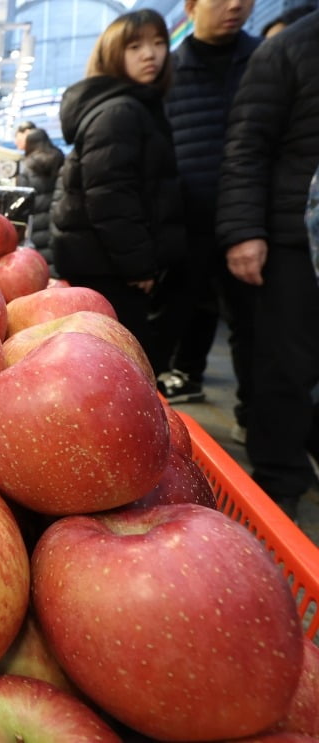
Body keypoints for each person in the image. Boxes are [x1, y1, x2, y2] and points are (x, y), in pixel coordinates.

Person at [216, 10, 319, 519]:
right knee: (285, 362)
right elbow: (246, 148)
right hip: (294, 236)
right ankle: (278, 479)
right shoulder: (287, 51)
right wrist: (244, 232)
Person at [49, 10, 185, 366]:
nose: (150, 54)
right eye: (135, 46)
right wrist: (139, 265)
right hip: (110, 268)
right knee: (122, 365)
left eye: (159, 43)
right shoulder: (120, 112)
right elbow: (110, 195)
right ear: (112, 53)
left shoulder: (129, 107)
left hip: (101, 262)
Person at [156, 0, 259, 419]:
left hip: (253, 225)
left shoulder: (264, 63)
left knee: (256, 330)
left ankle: (256, 420)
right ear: (191, 6)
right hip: (187, 225)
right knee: (176, 316)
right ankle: (167, 393)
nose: (234, 5)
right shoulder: (167, 74)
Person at [16, 127, 64, 268]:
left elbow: (22, 203)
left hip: (36, 226)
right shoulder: (61, 161)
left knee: (41, 267)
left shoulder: (26, 168)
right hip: (58, 221)